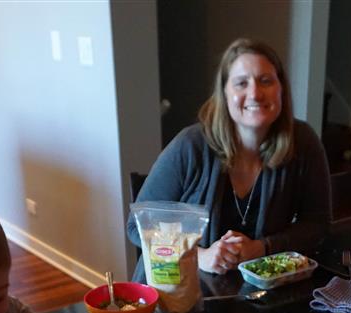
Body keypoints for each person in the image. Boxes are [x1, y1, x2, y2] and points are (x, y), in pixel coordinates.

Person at [127, 38, 331, 279]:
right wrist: (199, 256)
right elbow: (136, 227)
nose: (255, 93)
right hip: (179, 287)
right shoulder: (190, 146)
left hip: (260, 291)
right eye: (241, 83)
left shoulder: (304, 142)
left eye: (266, 81)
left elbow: (318, 225)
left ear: (281, 89)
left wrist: (262, 248)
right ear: (224, 93)